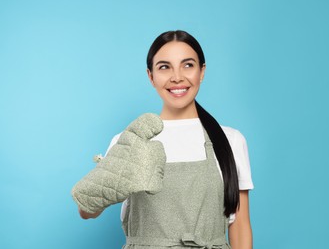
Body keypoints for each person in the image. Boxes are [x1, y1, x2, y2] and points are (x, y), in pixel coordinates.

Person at [78, 30, 254, 248]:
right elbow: (87, 211)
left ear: (202, 72)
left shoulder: (230, 140)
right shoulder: (130, 140)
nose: (177, 76)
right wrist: (108, 182)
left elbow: (240, 225)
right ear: (151, 76)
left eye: (188, 65)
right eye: (164, 67)